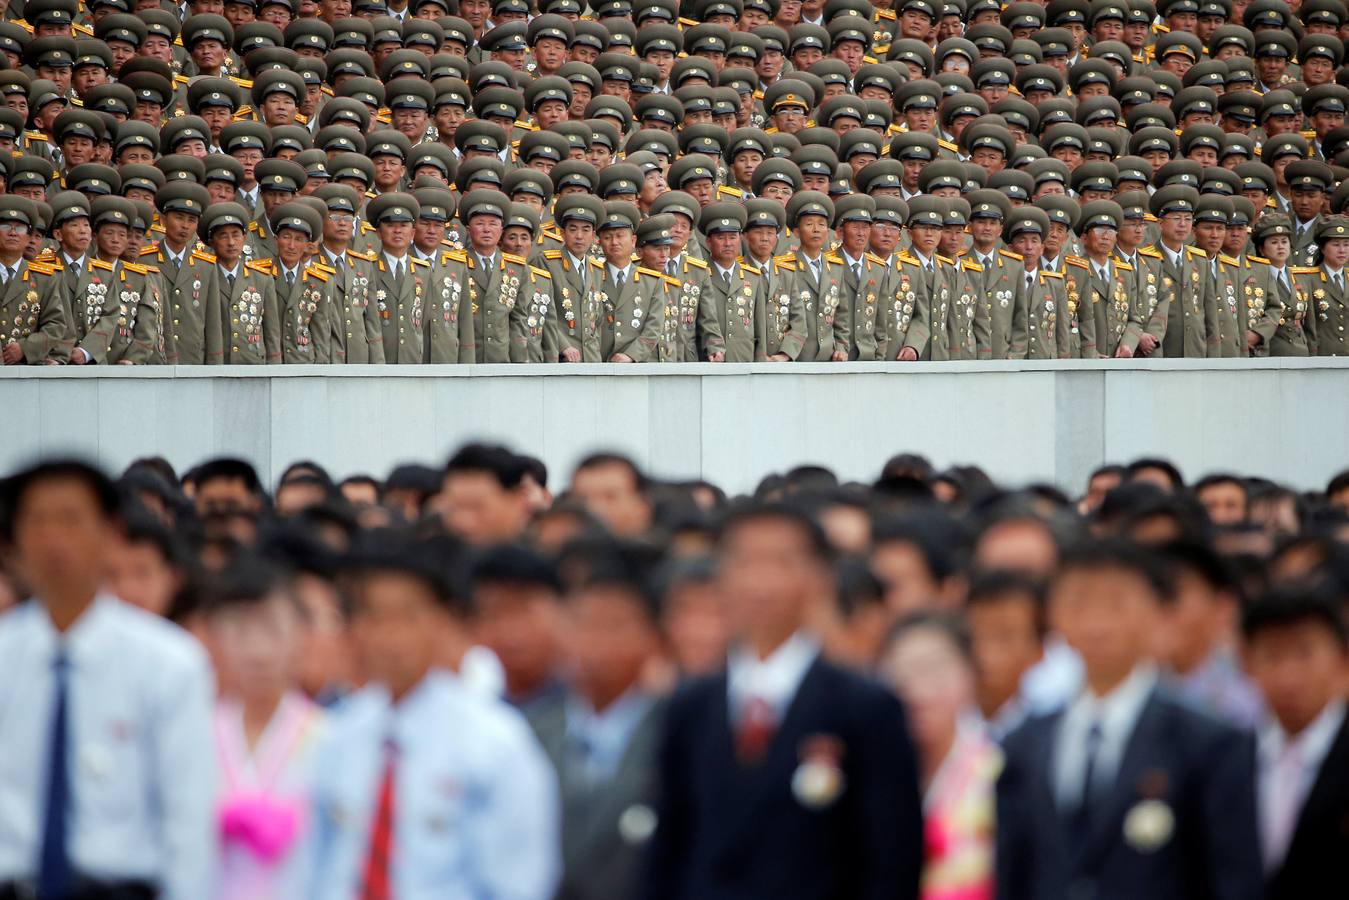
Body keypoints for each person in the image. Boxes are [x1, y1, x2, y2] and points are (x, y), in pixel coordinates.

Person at [643, 502, 924, 900]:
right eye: (745, 562)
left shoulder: (865, 706)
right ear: (721, 576)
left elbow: (891, 862)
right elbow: (668, 849)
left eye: (781, 562)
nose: (761, 582)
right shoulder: (690, 706)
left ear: (818, 576)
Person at [996, 540, 1262, 900]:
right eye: (1078, 602)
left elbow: (1232, 882)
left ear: (1157, 613)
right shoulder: (1023, 743)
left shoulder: (1210, 742)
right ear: (1052, 615)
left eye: (1117, 603)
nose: (1097, 621)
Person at [0, 460, 217, 898]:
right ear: (15, 542)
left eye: (71, 521)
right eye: (38, 522)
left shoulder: (169, 663)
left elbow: (188, 827)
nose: (55, 540)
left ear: (109, 535)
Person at [307, 530, 560, 899]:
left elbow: (520, 883)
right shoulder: (339, 735)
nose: (388, 636)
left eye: (406, 616)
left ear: (443, 621)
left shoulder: (494, 741)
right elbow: (321, 869)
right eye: (374, 616)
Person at [527, 543, 665, 900]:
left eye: (615, 625)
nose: (596, 642)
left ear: (652, 639)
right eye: (583, 624)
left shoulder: (676, 736)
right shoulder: (530, 735)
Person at [204, 557, 327, 900]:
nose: (258, 650)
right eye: (241, 631)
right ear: (216, 636)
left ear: (301, 635)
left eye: (272, 629)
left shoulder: (330, 738)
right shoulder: (195, 736)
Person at [878, 612, 1000, 900]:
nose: (917, 689)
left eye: (934, 670)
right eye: (902, 672)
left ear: (972, 674)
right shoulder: (869, 772)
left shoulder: (1000, 770)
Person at [1241, 585, 1349, 899]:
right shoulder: (1228, 755)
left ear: (1341, 659)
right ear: (1246, 663)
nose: (1289, 675)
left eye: (1304, 653)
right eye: (1272, 655)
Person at [964, 570, 1048, 741]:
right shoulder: (939, 727)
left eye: (1003, 637)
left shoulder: (1050, 734)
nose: (983, 651)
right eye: (974, 636)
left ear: (1039, 651)